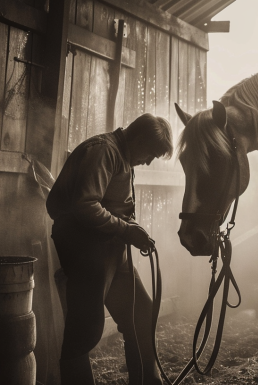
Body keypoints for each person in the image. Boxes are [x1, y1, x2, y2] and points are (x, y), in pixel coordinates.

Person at [46, 114, 173, 385]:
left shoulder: (124, 156)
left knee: (141, 314)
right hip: (85, 248)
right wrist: (127, 230)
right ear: (138, 139)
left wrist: (134, 229)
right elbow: (86, 205)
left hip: (113, 248)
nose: (149, 161)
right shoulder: (103, 151)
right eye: (150, 154)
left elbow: (119, 206)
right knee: (86, 328)